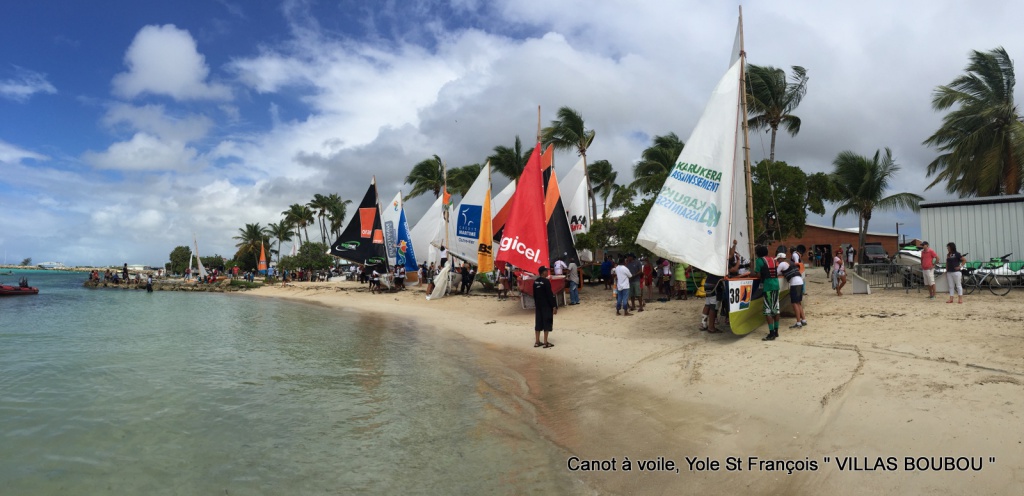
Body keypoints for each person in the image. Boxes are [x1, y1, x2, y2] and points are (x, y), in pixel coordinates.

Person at [754, 245, 781, 341]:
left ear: (758, 253)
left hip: (768, 286)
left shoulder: (759, 261)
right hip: (776, 284)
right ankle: (776, 331)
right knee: (776, 308)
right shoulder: (773, 259)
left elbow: (757, 274)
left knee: (768, 310)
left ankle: (771, 333)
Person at [778, 250, 806, 328]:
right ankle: (803, 320)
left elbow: (776, 272)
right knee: (798, 302)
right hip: (800, 282)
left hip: (794, 284)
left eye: (778, 259)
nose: (777, 261)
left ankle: (798, 322)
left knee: (794, 303)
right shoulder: (790, 262)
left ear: (780, 258)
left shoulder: (782, 264)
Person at [532, 266, 557, 348]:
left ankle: (537, 341)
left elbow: (534, 295)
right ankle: (546, 342)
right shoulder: (546, 282)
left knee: (538, 322)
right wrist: (554, 306)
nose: (547, 272)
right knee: (547, 322)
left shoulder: (535, 282)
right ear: (543, 272)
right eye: (546, 271)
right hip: (546, 305)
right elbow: (550, 294)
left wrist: (536, 304)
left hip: (538, 305)